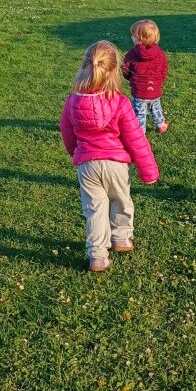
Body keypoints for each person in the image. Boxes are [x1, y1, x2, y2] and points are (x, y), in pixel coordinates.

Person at [59, 40, 159, 272]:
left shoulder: (73, 101)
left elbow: (66, 130)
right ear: (114, 70)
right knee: (121, 200)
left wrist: (75, 152)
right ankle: (121, 237)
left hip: (87, 166)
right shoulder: (120, 102)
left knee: (95, 209)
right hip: (116, 164)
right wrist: (149, 171)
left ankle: (97, 256)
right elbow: (136, 139)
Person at [123, 18, 170, 134]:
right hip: (155, 89)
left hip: (139, 92)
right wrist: (159, 80)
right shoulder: (160, 53)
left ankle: (140, 133)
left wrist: (129, 78)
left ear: (141, 39)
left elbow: (126, 70)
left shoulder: (131, 54)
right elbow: (164, 69)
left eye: (133, 36)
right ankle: (160, 125)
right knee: (156, 108)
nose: (131, 37)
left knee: (139, 113)